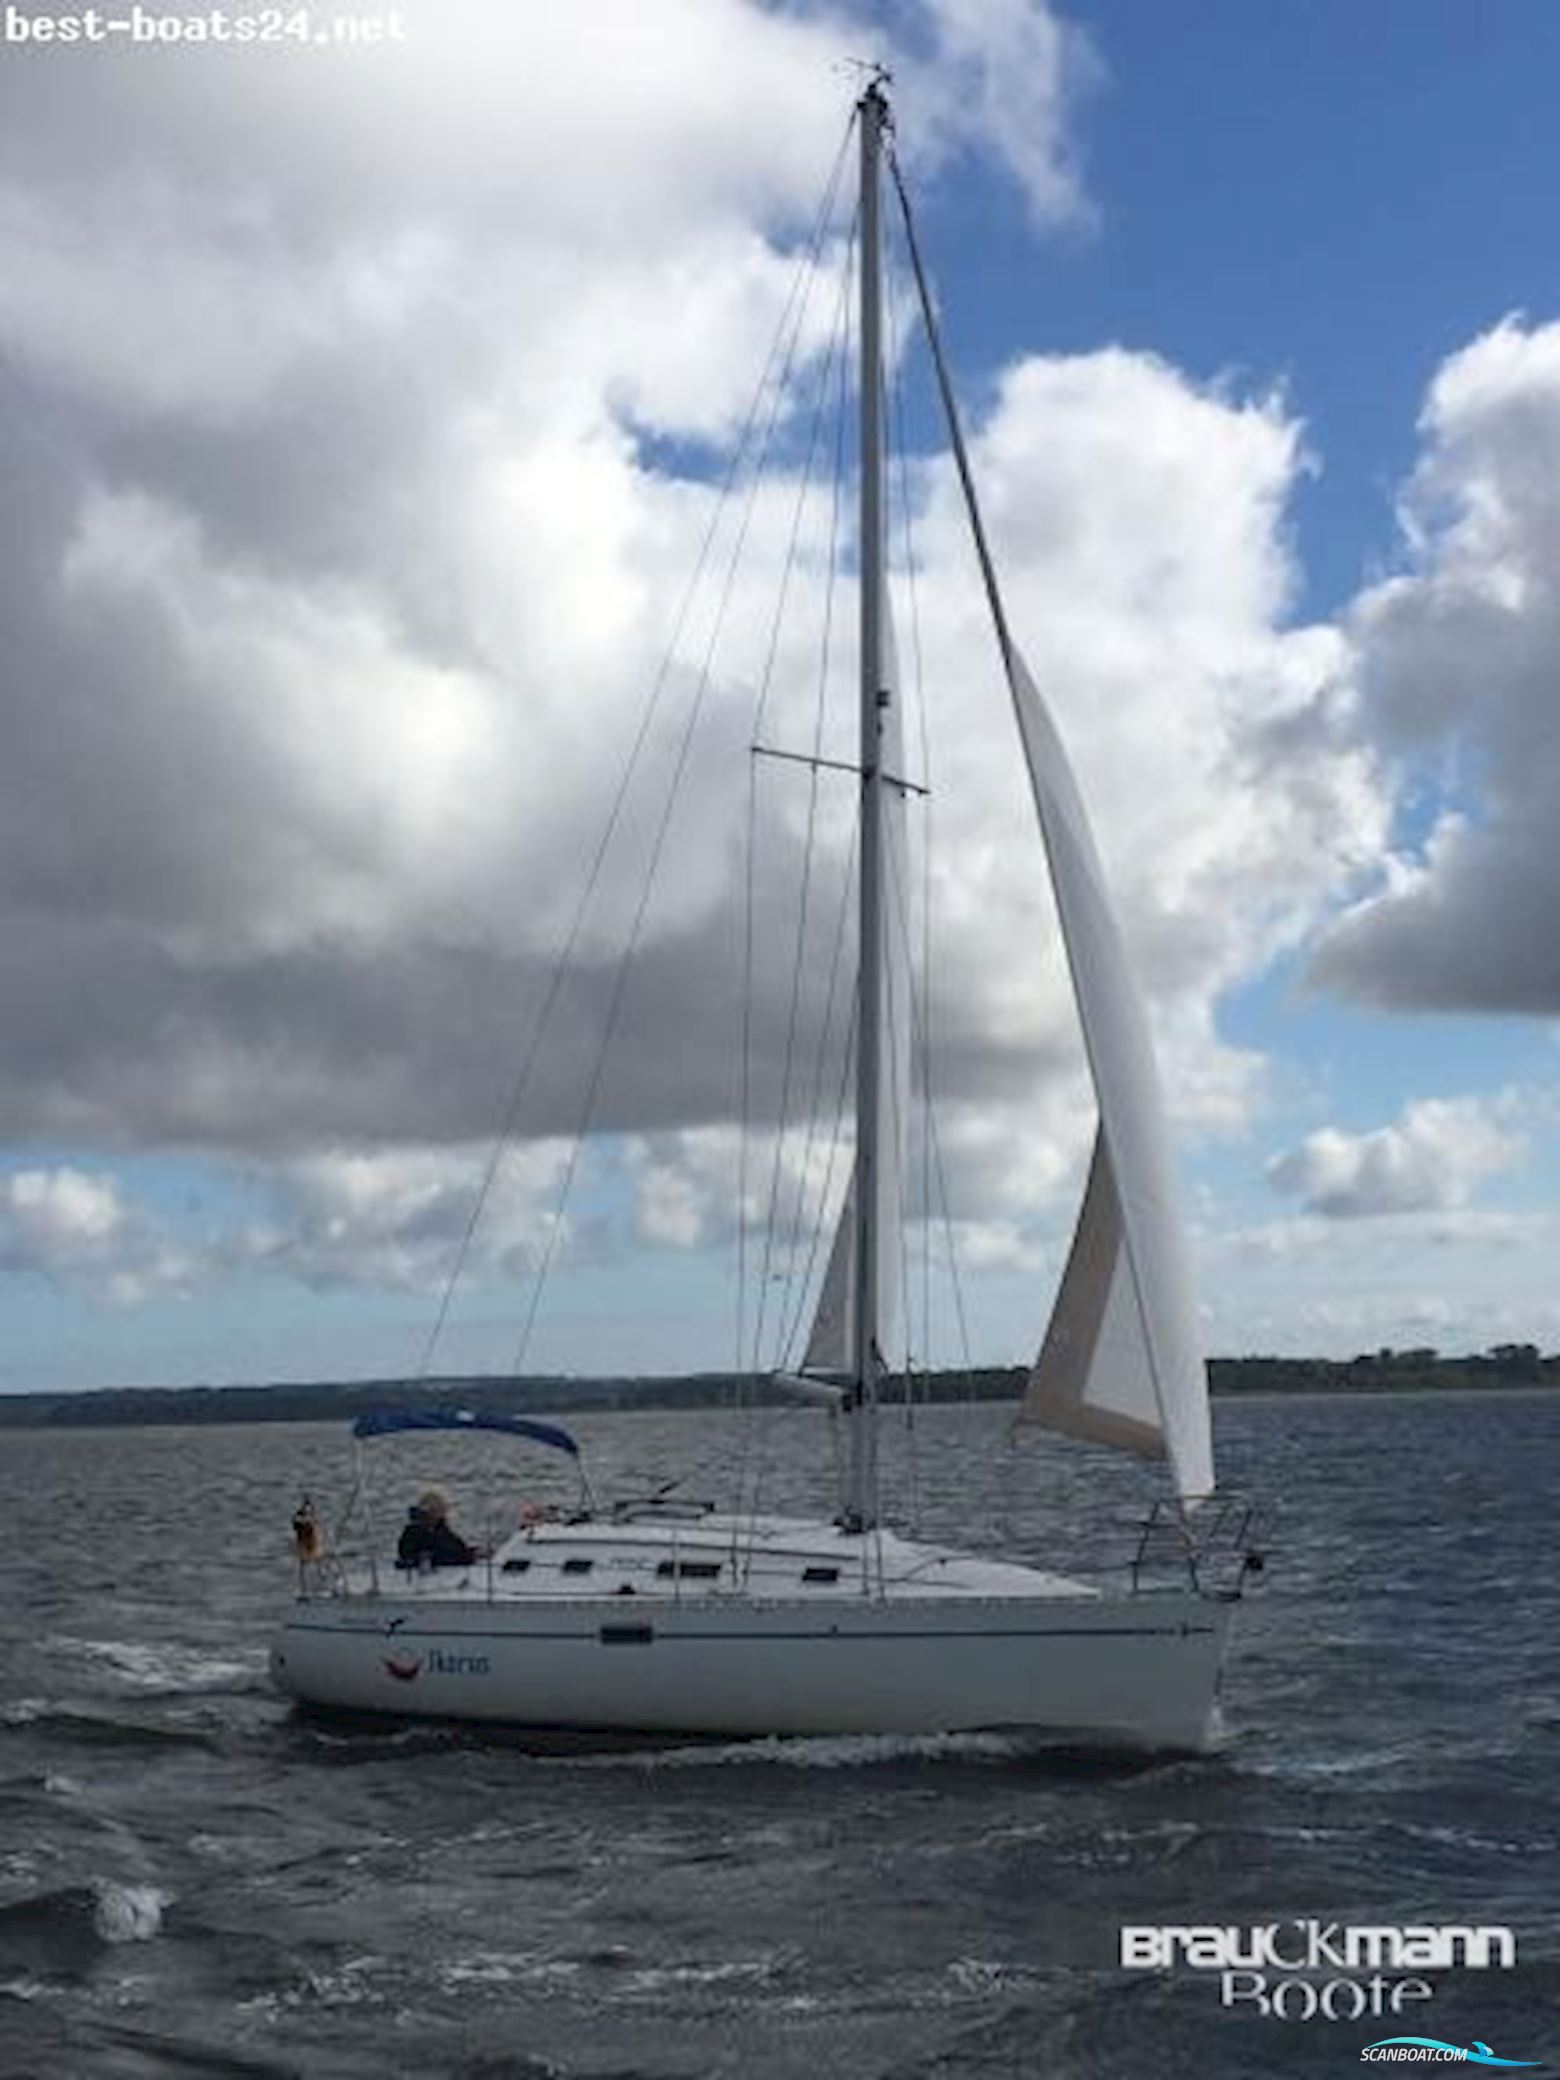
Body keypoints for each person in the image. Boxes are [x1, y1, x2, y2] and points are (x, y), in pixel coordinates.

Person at [395, 1487, 486, 1569]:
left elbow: (455, 1548)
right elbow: (444, 1554)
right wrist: (468, 1556)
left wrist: (474, 1552)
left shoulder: (440, 1530)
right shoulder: (415, 1534)